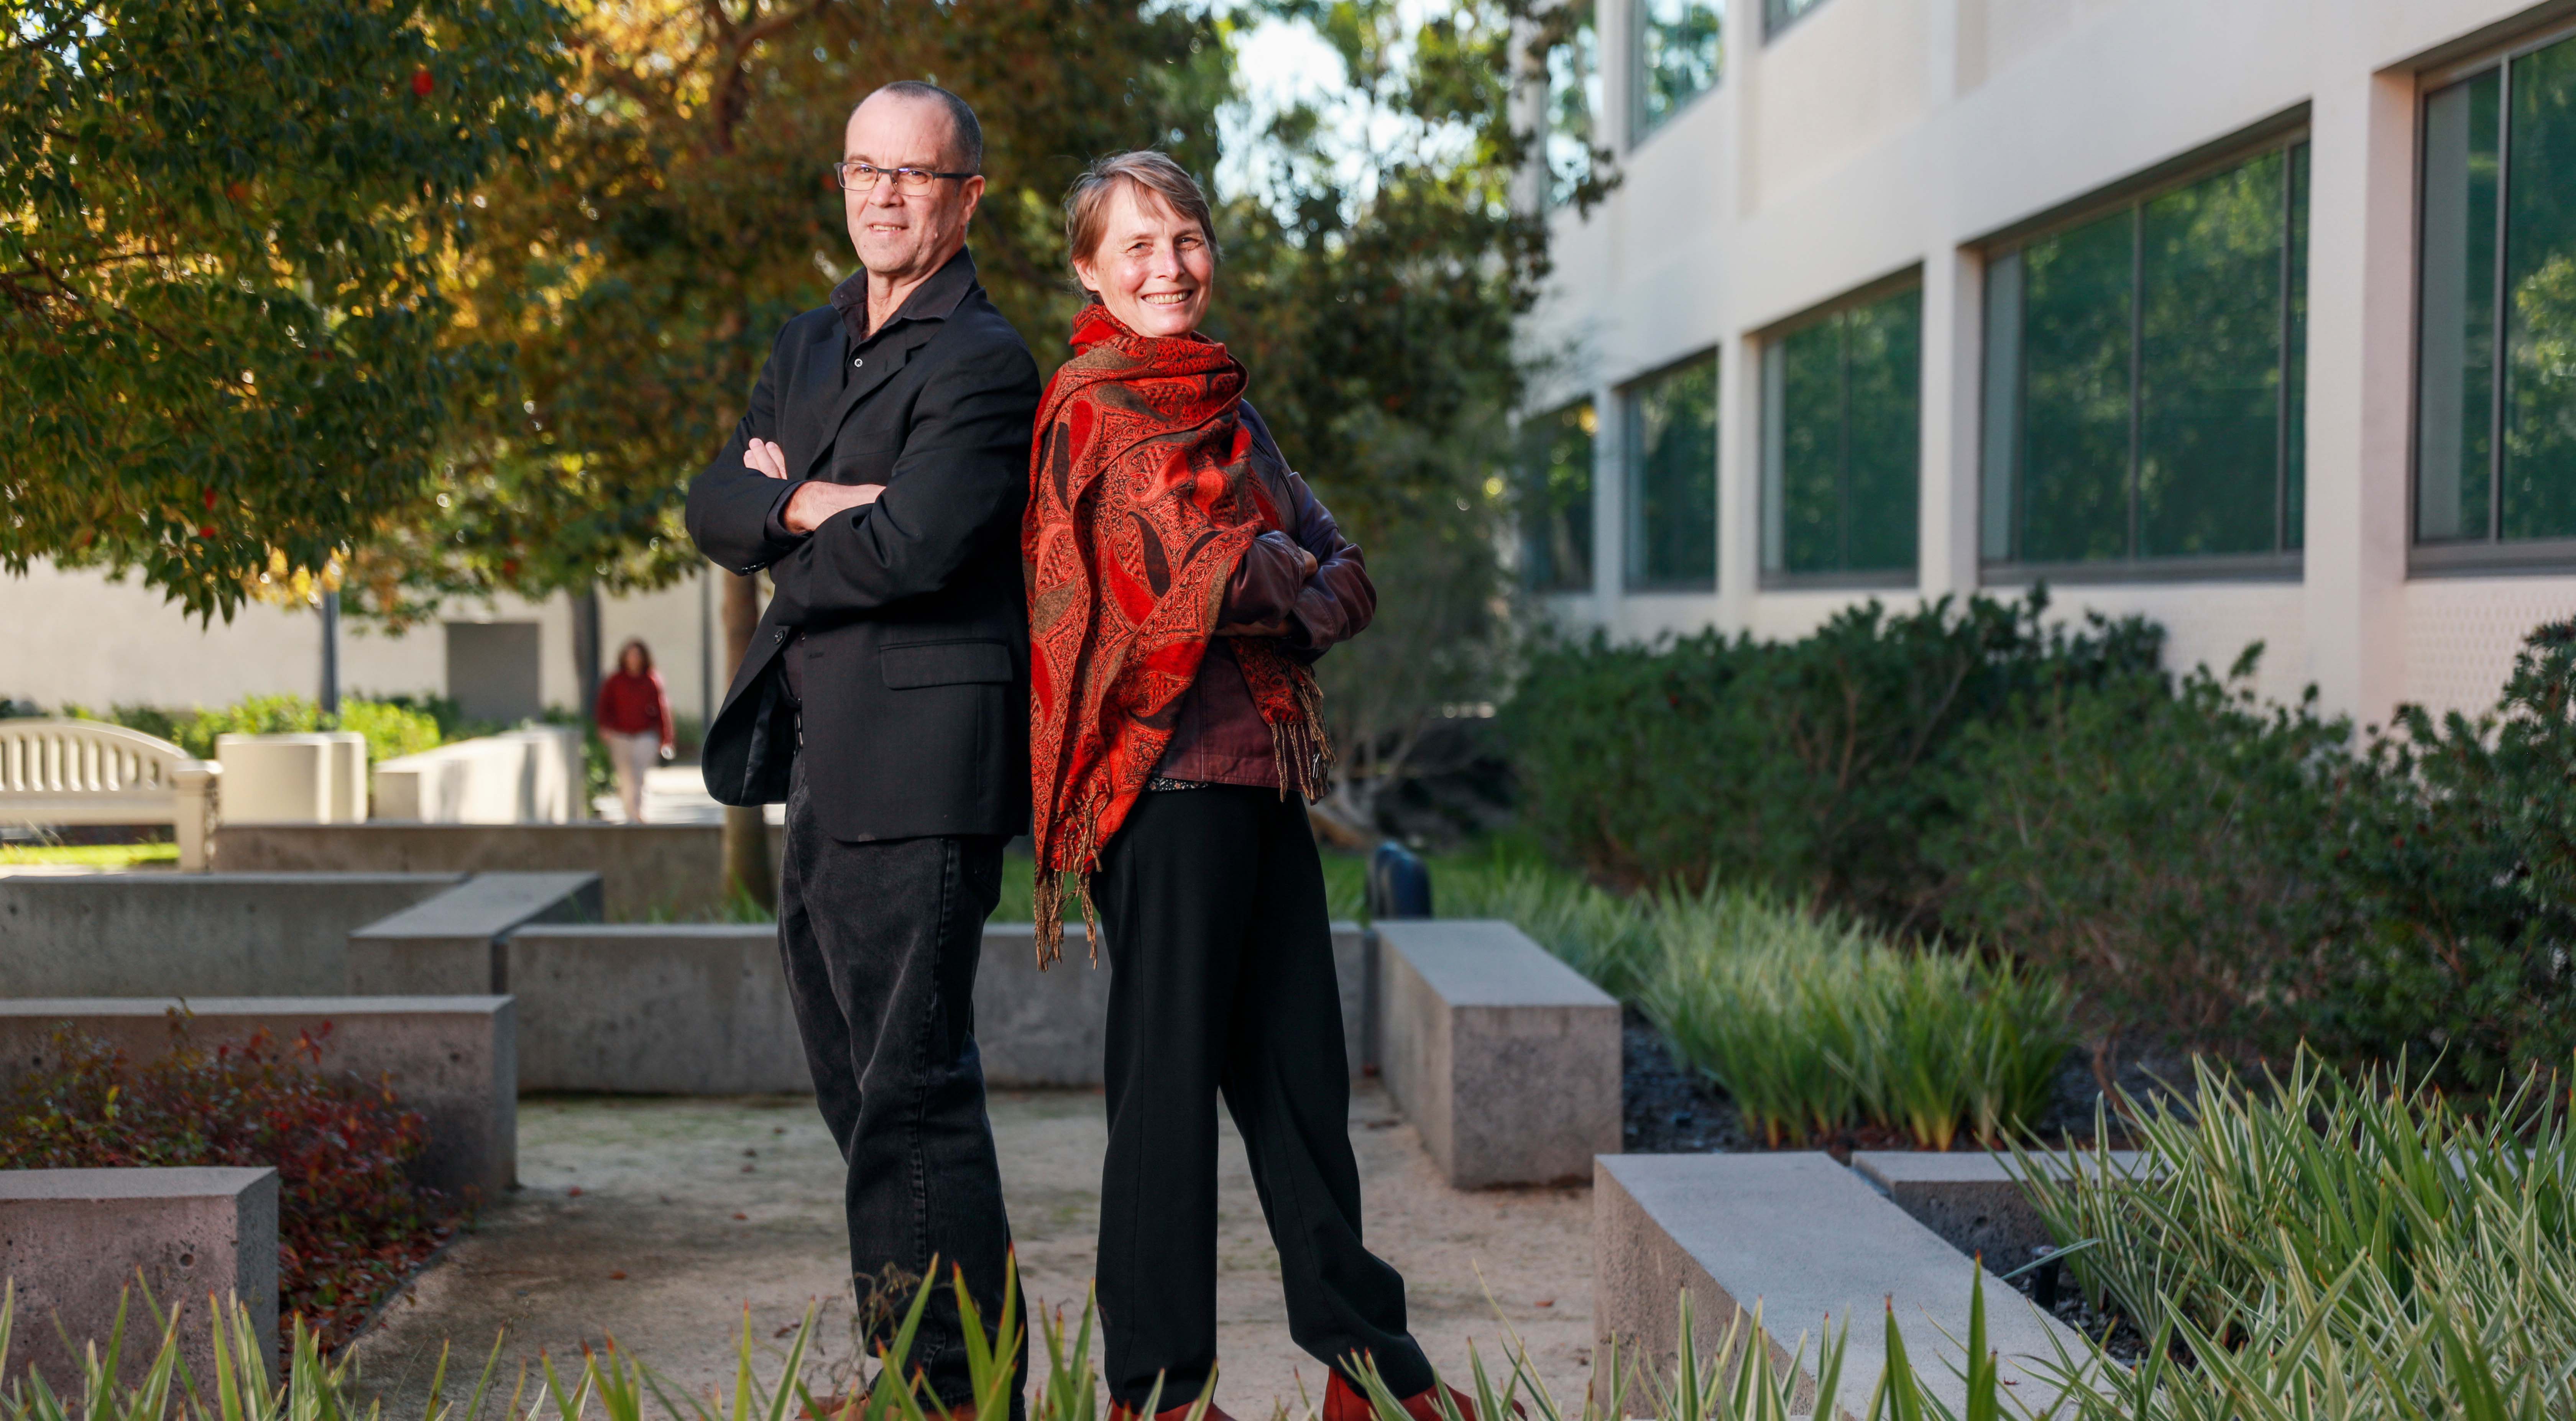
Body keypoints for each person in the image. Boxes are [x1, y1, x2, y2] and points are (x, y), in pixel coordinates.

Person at [1024, 151, 1486, 1421]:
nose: (1169, 266)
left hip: (1261, 771)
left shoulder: (1227, 400)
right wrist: (1278, 572)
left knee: (1303, 1084)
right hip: (1159, 782)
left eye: (1186, 238)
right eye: (1137, 245)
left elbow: (1333, 561)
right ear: (1088, 267)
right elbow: (1213, 567)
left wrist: (1280, 572)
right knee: (1166, 1098)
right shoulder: (1092, 404)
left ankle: (1372, 1373)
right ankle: (1158, 1395)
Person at [682, 80, 1037, 1415]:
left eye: (919, 176)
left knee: (911, 1079)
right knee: (858, 1079)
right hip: (822, 747)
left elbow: (922, 543)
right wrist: (810, 501)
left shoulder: (986, 361)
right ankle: (951, 1368)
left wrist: (784, 522)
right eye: (866, 170)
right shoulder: (811, 333)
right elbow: (715, 501)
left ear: (967, 198)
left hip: (925, 756)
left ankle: (948, 1388)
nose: (887, 195)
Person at [594, 638, 674, 824]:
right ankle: (629, 811)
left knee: (638, 774)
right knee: (625, 775)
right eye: (630, 655)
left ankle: (637, 813)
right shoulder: (615, 680)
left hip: (645, 735)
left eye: (637, 655)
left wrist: (667, 739)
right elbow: (604, 706)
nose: (634, 659)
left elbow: (663, 710)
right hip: (620, 735)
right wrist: (604, 727)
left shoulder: (652, 680)